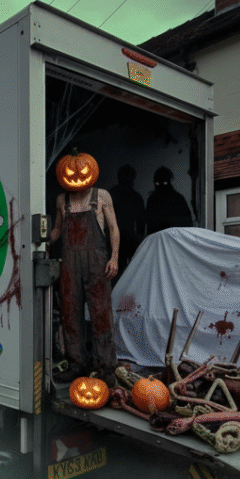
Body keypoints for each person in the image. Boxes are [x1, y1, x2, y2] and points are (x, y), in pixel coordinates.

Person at [49, 178, 120, 385]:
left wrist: (114, 257)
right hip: (70, 263)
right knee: (70, 313)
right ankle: (76, 364)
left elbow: (114, 228)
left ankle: (106, 367)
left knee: (101, 314)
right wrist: (44, 240)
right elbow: (57, 229)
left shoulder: (101, 196)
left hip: (96, 263)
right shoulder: (62, 199)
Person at [108, 163, 145, 275]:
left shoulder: (112, 195)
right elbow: (141, 224)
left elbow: (141, 223)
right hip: (117, 237)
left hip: (126, 238)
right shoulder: (112, 195)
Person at [145, 165, 193, 234]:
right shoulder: (153, 200)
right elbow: (150, 225)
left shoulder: (177, 199)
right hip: (159, 237)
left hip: (174, 237)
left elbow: (187, 224)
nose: (161, 187)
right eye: (158, 183)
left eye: (164, 182)